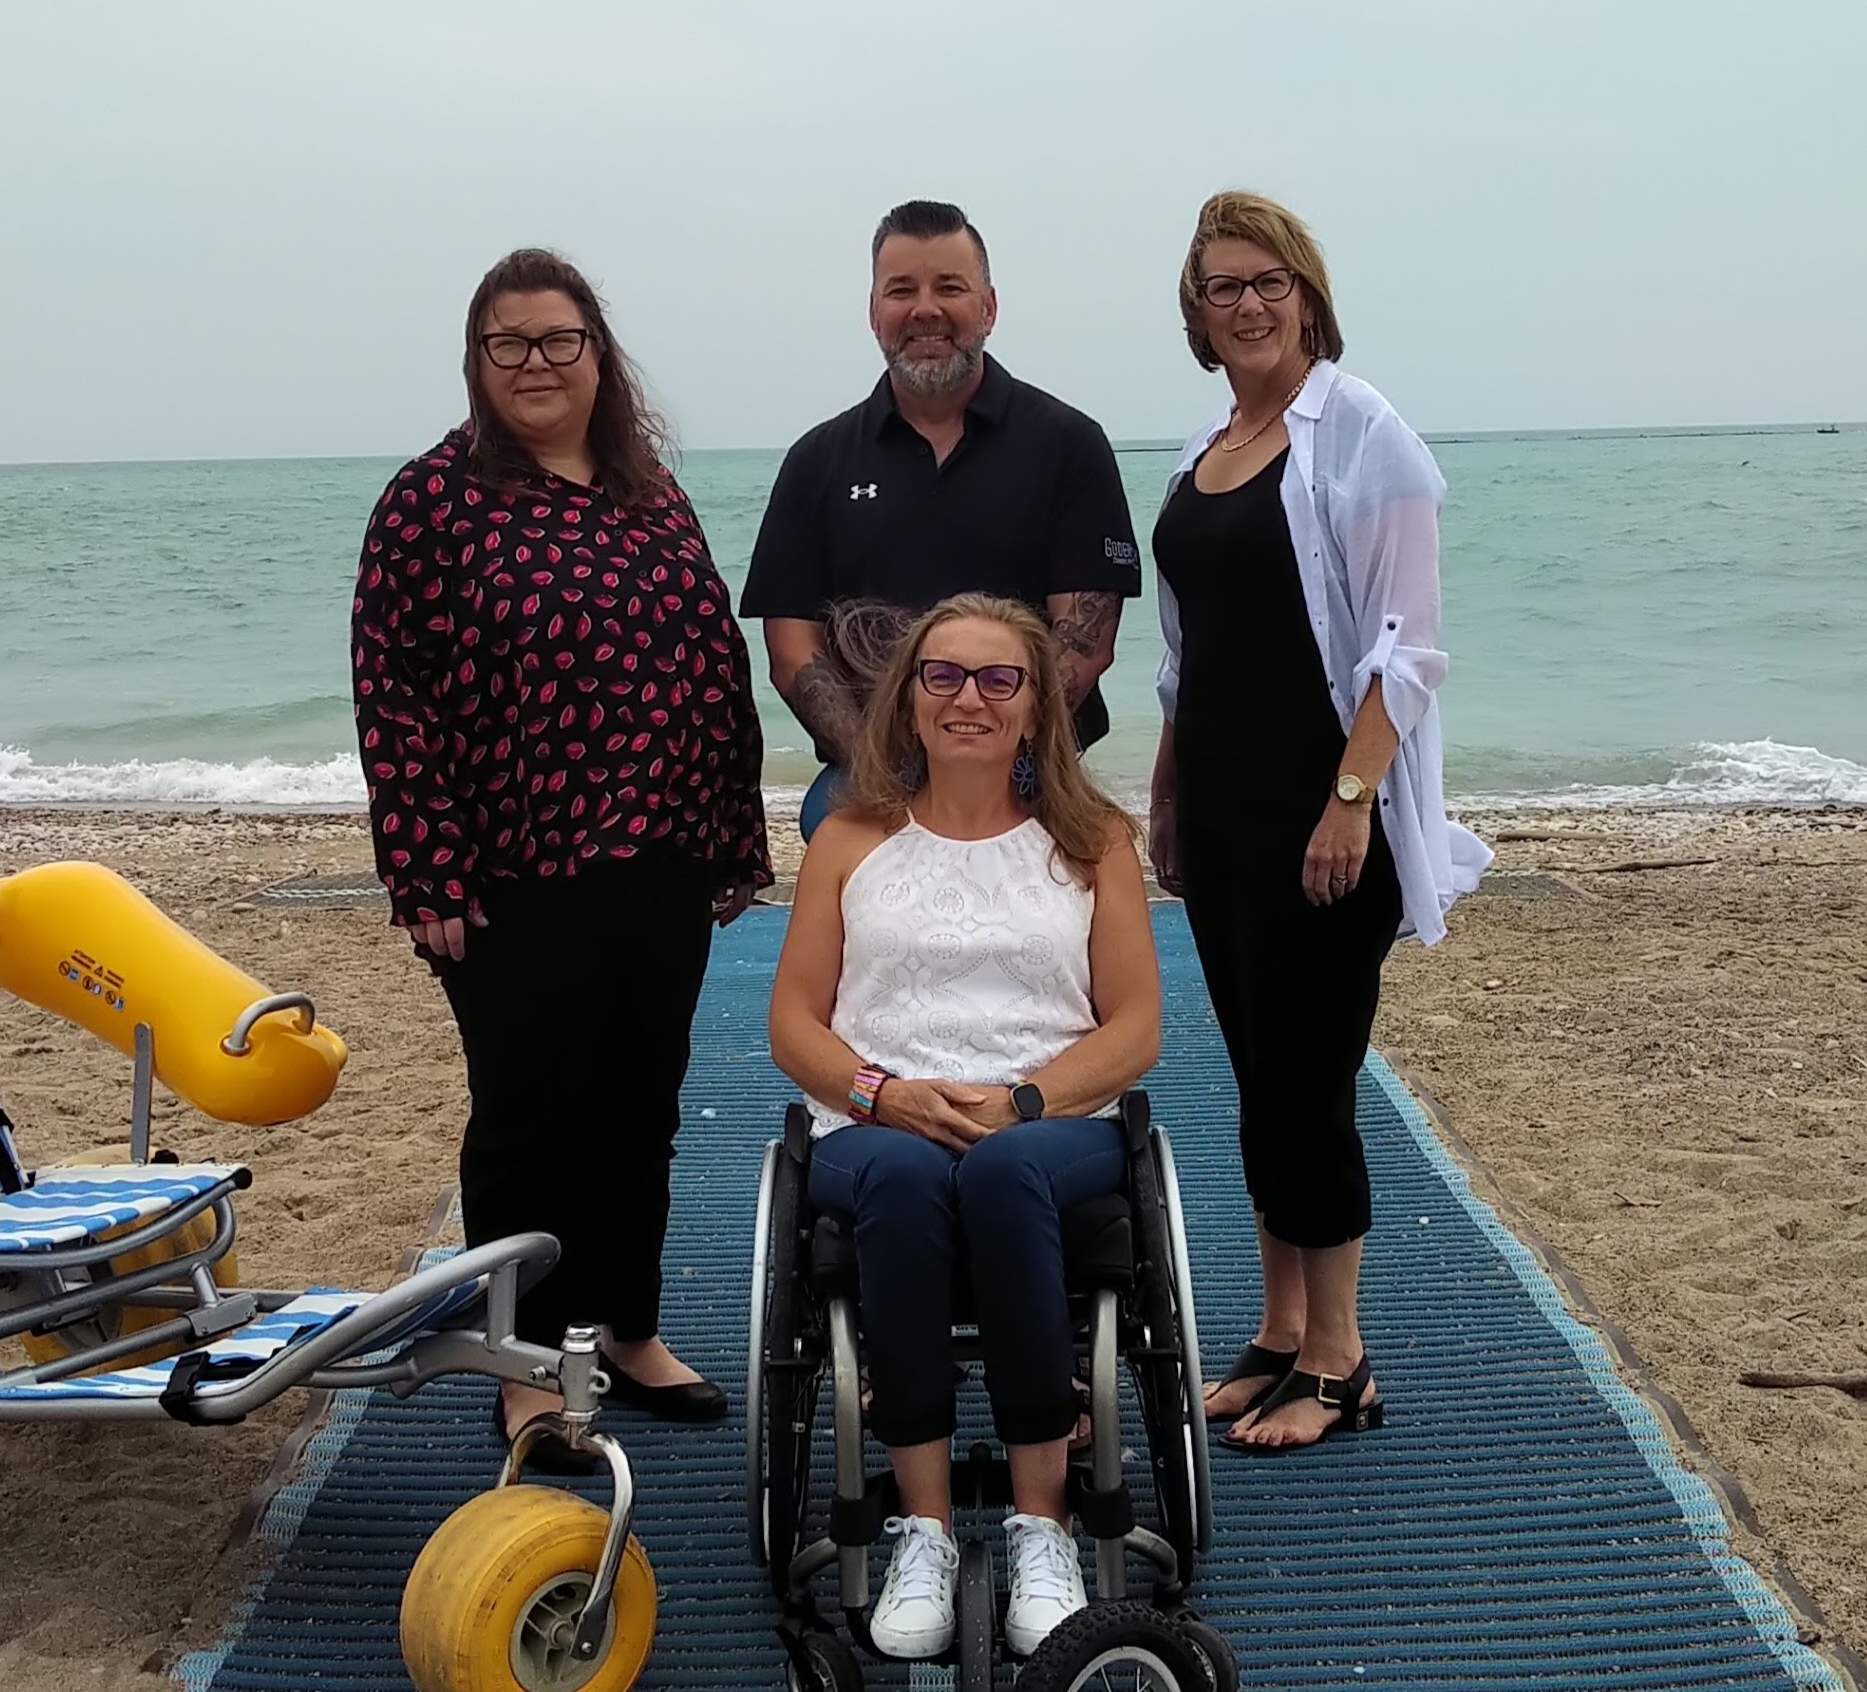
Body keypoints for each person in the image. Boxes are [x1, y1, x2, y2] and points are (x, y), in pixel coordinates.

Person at [351, 248, 774, 1470]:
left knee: (638, 1110)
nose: (535, 365)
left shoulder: (649, 489)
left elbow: (710, 662)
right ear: (477, 364)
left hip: (659, 859)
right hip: (510, 873)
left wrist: (732, 833)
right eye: (508, 345)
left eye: (557, 341)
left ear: (599, 355)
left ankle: (627, 1331)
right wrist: (424, 871)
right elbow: (392, 697)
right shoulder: (430, 501)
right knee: (531, 1121)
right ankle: (530, 1369)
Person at [1147, 191, 1491, 1453]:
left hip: (1320, 811)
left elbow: (1407, 652)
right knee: (1255, 1075)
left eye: (1266, 282)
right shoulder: (1209, 444)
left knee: (1311, 1080)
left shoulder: (1364, 437)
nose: (1244, 304)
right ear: (1194, 308)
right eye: (1220, 285)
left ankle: (1343, 1360)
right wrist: (1167, 792)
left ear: (1306, 293)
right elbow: (1190, 656)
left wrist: (1348, 802)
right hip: (1227, 813)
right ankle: (1280, 1330)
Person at [767, 593, 1161, 1659]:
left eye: (999, 679)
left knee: (1001, 1173)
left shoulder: (1091, 843)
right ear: (909, 698)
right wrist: (877, 1091)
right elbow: (793, 1022)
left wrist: (1024, 1100)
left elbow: (1133, 1029)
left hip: (1049, 1117)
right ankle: (924, 1530)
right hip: (875, 1119)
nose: (969, 699)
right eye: (942, 676)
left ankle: (1042, 1525)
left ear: (1037, 707)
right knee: (899, 1175)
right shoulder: (849, 840)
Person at [740, 199, 1142, 841]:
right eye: (902, 290)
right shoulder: (816, 461)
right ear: (875, 315)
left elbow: (1086, 642)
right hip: (866, 771)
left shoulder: (1069, 445)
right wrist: (882, 766)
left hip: (1029, 770)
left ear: (988, 308)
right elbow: (792, 652)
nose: (925, 309)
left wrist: (978, 759)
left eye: (949, 288)